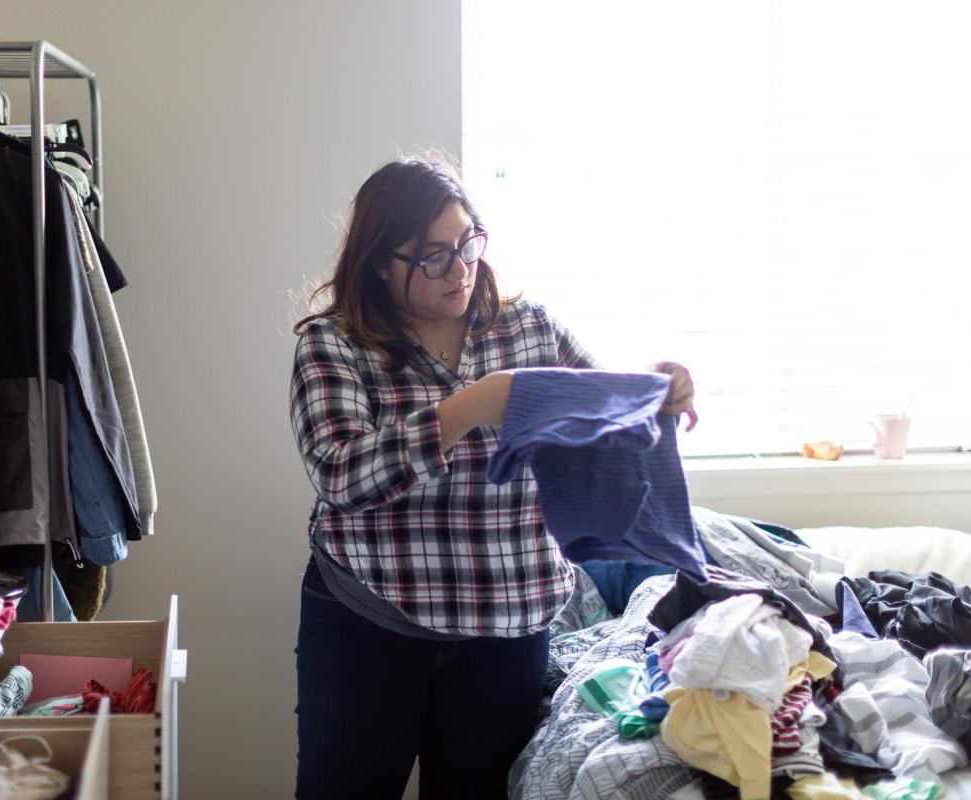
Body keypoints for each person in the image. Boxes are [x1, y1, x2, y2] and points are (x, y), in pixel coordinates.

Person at [289, 156, 696, 800]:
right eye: (432, 256)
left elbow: (605, 415)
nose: (460, 267)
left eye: (467, 242)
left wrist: (659, 389)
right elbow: (341, 475)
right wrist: (472, 405)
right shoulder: (333, 344)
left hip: (507, 627)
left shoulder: (529, 325)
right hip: (370, 622)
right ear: (378, 262)